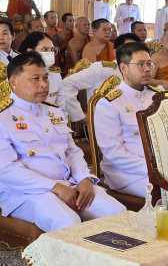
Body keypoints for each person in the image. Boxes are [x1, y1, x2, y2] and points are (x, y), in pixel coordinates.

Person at [0, 51, 125, 232]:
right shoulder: (3, 117)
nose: (44, 84)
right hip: (26, 194)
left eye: (45, 78)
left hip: (68, 184)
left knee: (117, 212)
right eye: (35, 79)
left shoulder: (53, 111)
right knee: (69, 224)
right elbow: (6, 170)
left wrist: (84, 178)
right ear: (14, 82)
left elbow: (71, 151)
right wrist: (54, 187)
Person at [94, 42, 160, 197]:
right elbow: (114, 152)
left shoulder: (156, 96)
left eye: (149, 64)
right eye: (140, 64)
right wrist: (153, 168)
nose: (147, 69)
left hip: (160, 168)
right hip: (127, 174)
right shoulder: (109, 104)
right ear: (123, 68)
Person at [63, 33, 142, 124]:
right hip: (105, 124)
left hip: (133, 121)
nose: (133, 54)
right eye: (129, 49)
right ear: (115, 52)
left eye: (137, 50)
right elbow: (67, 84)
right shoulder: (103, 69)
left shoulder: (141, 71)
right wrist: (79, 116)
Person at [19, 31, 67, 117]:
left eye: (52, 49)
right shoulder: (18, 75)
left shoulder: (55, 76)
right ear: (30, 52)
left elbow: (61, 109)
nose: (50, 53)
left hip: (52, 124)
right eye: (45, 49)